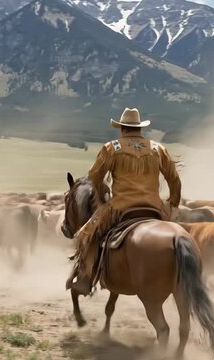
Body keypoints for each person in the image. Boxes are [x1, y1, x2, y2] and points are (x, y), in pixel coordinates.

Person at [67, 108, 182, 295]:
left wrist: (102, 194)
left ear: (121, 128)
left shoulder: (112, 148)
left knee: (85, 234)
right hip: (155, 207)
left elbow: (94, 176)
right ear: (139, 129)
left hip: (119, 208)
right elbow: (174, 180)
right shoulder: (157, 149)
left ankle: (85, 279)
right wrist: (174, 205)